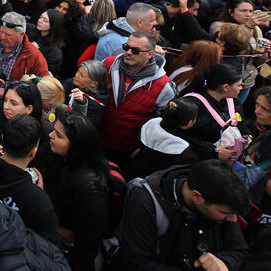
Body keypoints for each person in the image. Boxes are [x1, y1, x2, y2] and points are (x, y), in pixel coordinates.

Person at [115, 160, 249, 271]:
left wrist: (224, 262)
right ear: (197, 196)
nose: (233, 219)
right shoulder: (146, 203)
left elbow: (239, 250)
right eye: (225, 213)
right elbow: (136, 262)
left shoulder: (223, 202)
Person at [0, 114, 59, 243]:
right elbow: (45, 247)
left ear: (2, 138)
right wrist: (37, 194)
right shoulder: (39, 202)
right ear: (33, 152)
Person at [100, 31, 176, 168]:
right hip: (98, 140)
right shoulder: (109, 64)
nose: (128, 52)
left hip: (128, 151)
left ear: (150, 54)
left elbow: (165, 123)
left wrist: (145, 146)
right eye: (126, 47)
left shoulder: (163, 85)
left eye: (135, 50)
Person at [48, 114, 110, 271]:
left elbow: (87, 246)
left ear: (76, 145)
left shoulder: (91, 191)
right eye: (54, 131)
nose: (51, 135)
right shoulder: (58, 159)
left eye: (58, 135)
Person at [130, 97, 201, 178]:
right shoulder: (184, 151)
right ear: (190, 123)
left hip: (133, 169)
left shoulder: (150, 124)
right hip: (152, 182)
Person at [0, 12, 49, 82]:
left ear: (21, 35)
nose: (2, 37)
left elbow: (43, 85)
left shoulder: (34, 56)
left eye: (8, 35)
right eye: (1, 32)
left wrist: (11, 91)